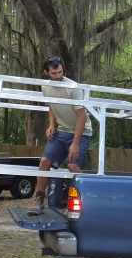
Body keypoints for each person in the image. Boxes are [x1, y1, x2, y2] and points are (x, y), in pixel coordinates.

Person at [35, 56, 92, 209]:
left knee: (72, 166)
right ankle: (39, 200)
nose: (58, 76)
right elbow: (51, 107)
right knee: (44, 162)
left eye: (60, 72)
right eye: (54, 73)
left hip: (81, 132)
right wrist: (51, 125)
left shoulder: (73, 88)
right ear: (46, 72)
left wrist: (75, 143)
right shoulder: (45, 87)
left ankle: (81, 203)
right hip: (61, 131)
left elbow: (82, 116)